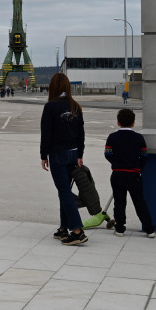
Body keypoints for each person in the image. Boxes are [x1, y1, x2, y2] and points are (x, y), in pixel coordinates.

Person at [40, 72, 88, 245]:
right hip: (73, 153)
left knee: (64, 192)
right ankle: (63, 228)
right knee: (65, 190)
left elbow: (46, 134)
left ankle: (77, 230)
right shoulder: (75, 105)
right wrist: (80, 154)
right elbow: (81, 133)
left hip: (58, 154)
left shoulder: (51, 107)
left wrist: (43, 155)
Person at [104, 109, 156, 237]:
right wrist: (138, 168)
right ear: (133, 123)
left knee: (119, 202)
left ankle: (120, 228)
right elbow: (144, 156)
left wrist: (116, 163)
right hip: (134, 174)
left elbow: (107, 154)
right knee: (139, 202)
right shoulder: (139, 138)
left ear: (118, 122)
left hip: (117, 174)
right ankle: (149, 229)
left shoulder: (112, 137)